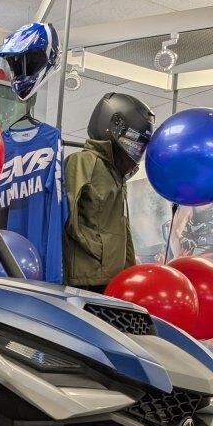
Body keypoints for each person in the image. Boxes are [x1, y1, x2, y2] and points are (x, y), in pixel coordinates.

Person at [63, 92, 154, 293]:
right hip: (86, 277)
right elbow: (64, 215)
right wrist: (96, 251)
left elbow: (119, 230)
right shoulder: (84, 161)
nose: (136, 149)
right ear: (114, 126)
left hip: (110, 277)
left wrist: (128, 265)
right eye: (132, 140)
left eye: (140, 145)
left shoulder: (116, 176)